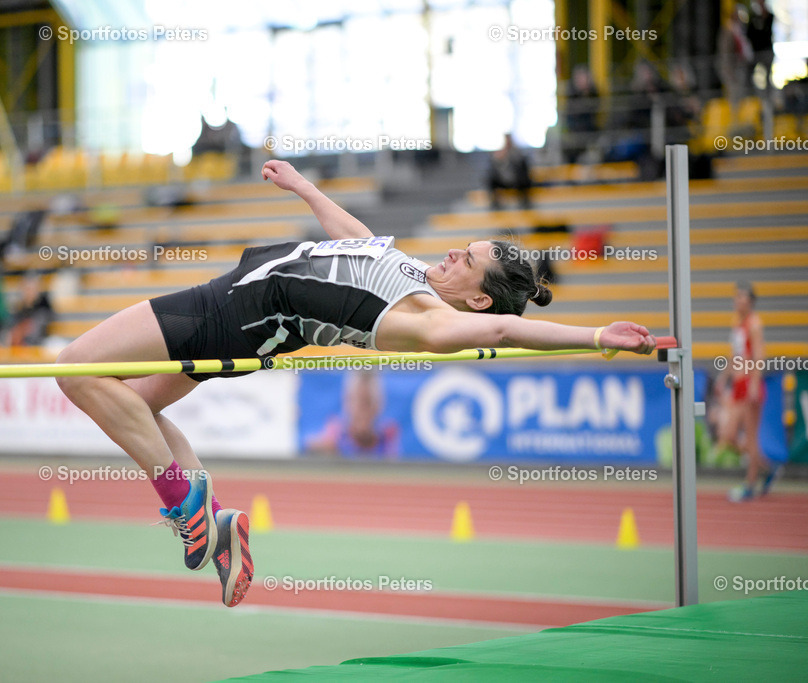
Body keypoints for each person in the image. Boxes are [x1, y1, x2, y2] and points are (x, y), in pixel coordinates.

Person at [55, 160, 658, 608]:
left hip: (229, 313)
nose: (451, 253)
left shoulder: (431, 322)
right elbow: (354, 239)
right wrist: (304, 187)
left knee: (75, 368)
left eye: (465, 260)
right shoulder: (414, 275)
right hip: (241, 310)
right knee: (131, 410)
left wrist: (596, 335)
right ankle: (212, 522)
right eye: (462, 247)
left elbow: (503, 330)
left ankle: (185, 510)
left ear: (476, 295)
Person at [718, 282, 779, 502]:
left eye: (743, 298)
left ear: (751, 301)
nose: (739, 301)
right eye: (737, 297)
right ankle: (766, 467)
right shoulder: (738, 324)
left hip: (749, 386)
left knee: (751, 438)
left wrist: (754, 383)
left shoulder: (754, 324)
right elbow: (736, 356)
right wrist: (724, 377)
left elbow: (759, 355)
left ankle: (750, 484)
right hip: (737, 386)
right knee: (729, 436)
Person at [486, 134, 533, 209]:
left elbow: (520, 166)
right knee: (491, 180)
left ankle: (525, 203)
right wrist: (499, 159)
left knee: (523, 178)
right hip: (504, 180)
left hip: (517, 181)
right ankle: (496, 204)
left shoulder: (516, 152)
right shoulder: (500, 153)